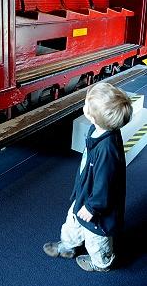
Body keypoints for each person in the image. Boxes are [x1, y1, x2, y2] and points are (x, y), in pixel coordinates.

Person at [43, 82, 133, 272]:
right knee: (72, 221)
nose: (84, 107)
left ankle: (102, 263)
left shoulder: (107, 150)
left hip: (97, 208)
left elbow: (105, 184)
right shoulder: (97, 130)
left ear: (93, 117)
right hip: (84, 194)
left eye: (86, 106)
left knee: (96, 239)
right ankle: (67, 246)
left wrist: (93, 207)